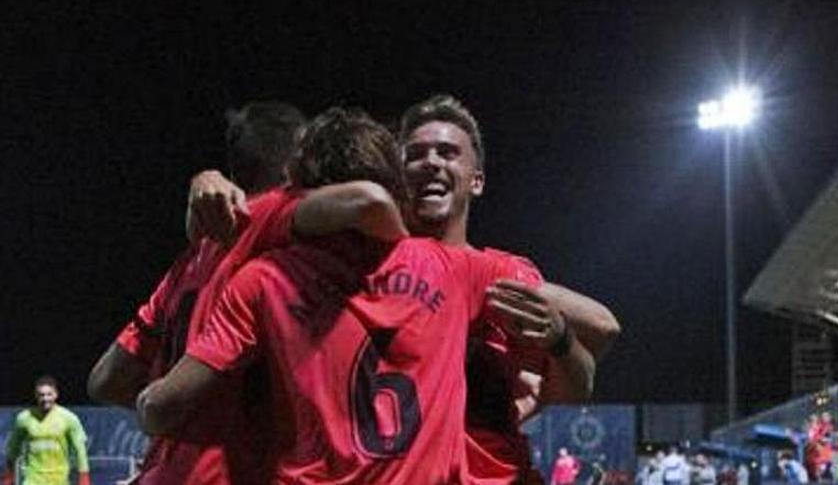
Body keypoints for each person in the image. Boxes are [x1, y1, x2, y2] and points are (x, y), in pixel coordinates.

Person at [184, 94, 621, 482]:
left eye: (448, 153)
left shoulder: (491, 273)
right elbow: (284, 202)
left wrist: (553, 359)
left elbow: (600, 328)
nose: (432, 162)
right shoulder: (353, 258)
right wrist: (210, 181)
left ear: (477, 179)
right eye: (416, 154)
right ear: (395, 175)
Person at [87, 100, 307, 484]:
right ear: (295, 168)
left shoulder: (186, 265)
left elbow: (106, 380)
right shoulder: (275, 240)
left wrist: (180, 410)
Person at [3, 376, 91, 485]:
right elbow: (13, 448)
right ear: (36, 396)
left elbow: (80, 451)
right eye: (41, 395)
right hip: (32, 479)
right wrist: (8, 475)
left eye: (49, 394)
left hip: (59, 480)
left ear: (56, 394)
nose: (45, 399)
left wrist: (84, 478)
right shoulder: (24, 418)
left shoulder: (69, 418)